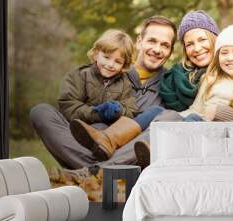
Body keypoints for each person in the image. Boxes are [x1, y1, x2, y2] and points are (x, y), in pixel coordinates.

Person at [69, 11, 219, 170]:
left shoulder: (172, 82)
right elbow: (77, 109)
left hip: (146, 148)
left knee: (169, 117)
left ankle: (97, 170)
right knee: (43, 113)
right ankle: (95, 168)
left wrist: (219, 111)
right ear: (139, 41)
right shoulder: (112, 69)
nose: (157, 49)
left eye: (164, 45)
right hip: (102, 139)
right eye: (152, 41)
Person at [133, 24, 233, 164]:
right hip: (204, 133)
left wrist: (222, 114)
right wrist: (170, 119)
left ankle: (162, 151)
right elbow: (195, 110)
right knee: (169, 114)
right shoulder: (210, 79)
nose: (230, 58)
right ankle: (147, 145)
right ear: (217, 56)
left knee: (192, 120)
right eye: (224, 53)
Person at [30, 29, 139, 170]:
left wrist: (119, 111)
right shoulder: (79, 75)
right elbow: (68, 106)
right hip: (73, 131)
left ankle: (85, 168)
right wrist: (96, 113)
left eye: (117, 61)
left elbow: (131, 111)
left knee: (99, 128)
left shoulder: (125, 84)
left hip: (103, 137)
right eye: (106, 57)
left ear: (124, 65)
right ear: (96, 54)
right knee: (40, 111)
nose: (111, 64)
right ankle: (95, 168)